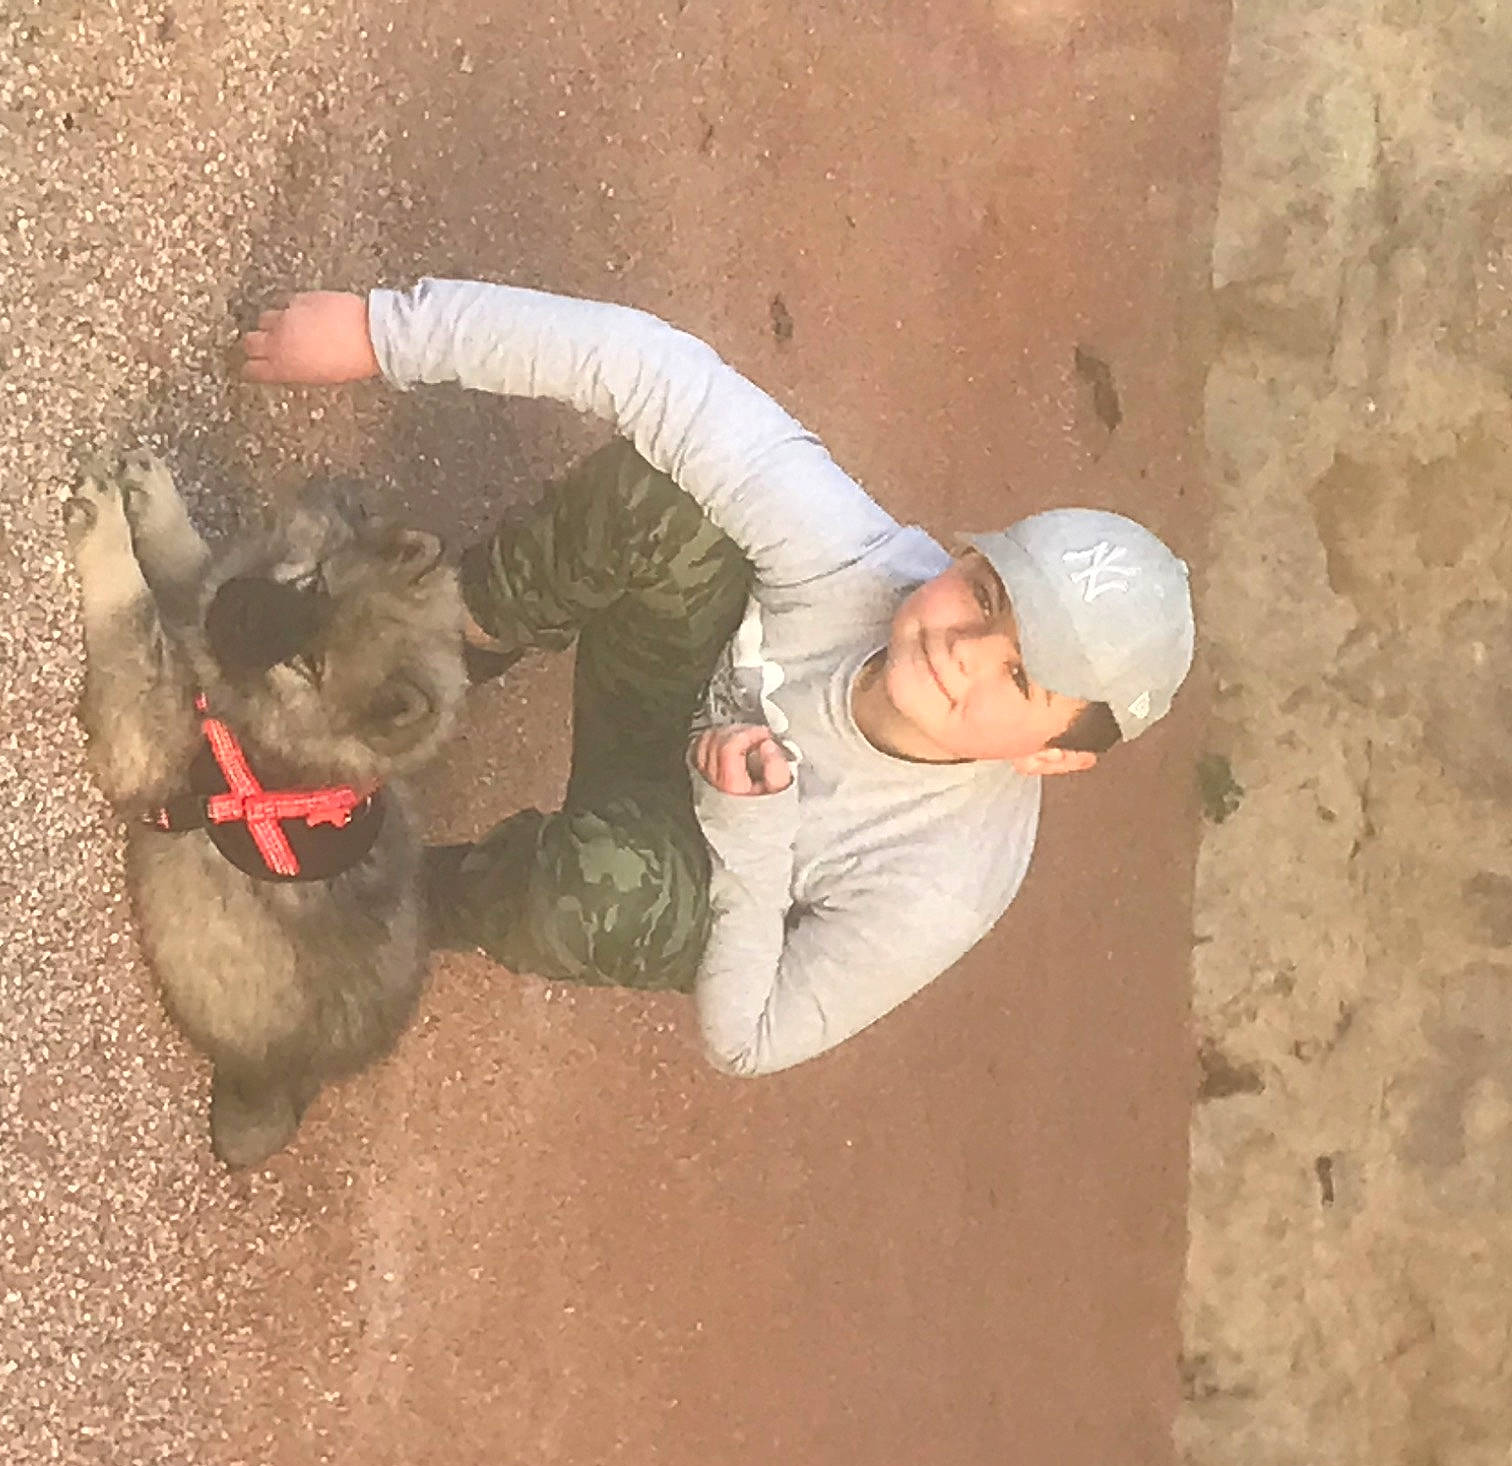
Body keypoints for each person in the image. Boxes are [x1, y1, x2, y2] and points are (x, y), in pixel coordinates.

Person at [240, 280, 1194, 1077]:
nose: (962, 647)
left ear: (1053, 760)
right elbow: (662, 375)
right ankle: (421, 671)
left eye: (1021, 677)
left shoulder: (941, 885)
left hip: (696, 852)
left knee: (593, 893)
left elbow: (752, 1038)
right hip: (664, 688)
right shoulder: (858, 563)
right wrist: (381, 331)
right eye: (984, 594)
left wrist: (751, 837)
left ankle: (393, 906)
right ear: (961, 556)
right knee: (664, 498)